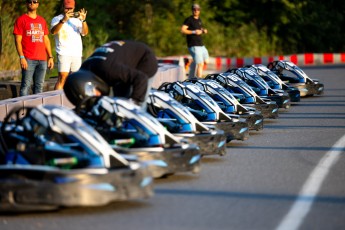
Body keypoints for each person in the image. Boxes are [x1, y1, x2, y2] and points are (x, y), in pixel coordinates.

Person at [63, 40, 158, 109]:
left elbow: (141, 79)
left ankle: (143, 133)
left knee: (132, 106)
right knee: (117, 102)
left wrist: (135, 102)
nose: (97, 95)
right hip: (121, 63)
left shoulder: (109, 69)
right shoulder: (84, 71)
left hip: (143, 61)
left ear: (92, 84)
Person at [13, 0, 54, 96]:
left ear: (38, 4)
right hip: (28, 59)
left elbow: (46, 40)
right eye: (29, 1)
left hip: (42, 59)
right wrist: (22, 57)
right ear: (26, 3)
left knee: (39, 86)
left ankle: (37, 109)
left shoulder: (42, 20)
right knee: (25, 86)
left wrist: (50, 57)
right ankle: (23, 109)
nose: (32, 3)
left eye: (35, 1)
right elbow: (17, 41)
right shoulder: (21, 20)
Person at [51, 0, 88, 90]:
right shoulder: (56, 19)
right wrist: (63, 20)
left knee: (76, 79)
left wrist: (83, 20)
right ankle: (57, 100)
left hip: (76, 53)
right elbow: (53, 31)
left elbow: (85, 33)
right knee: (62, 77)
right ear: (63, 8)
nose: (68, 10)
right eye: (66, 8)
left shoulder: (78, 20)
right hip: (63, 52)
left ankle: (72, 100)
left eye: (70, 8)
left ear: (74, 8)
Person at [181, 3, 209, 78]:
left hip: (201, 44)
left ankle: (190, 62)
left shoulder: (199, 20)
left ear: (199, 11)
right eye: (194, 9)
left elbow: (199, 29)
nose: (196, 11)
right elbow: (183, 30)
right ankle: (198, 81)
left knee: (206, 61)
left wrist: (203, 30)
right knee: (200, 64)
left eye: (197, 9)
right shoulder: (189, 19)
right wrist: (193, 32)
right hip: (193, 45)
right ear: (192, 10)